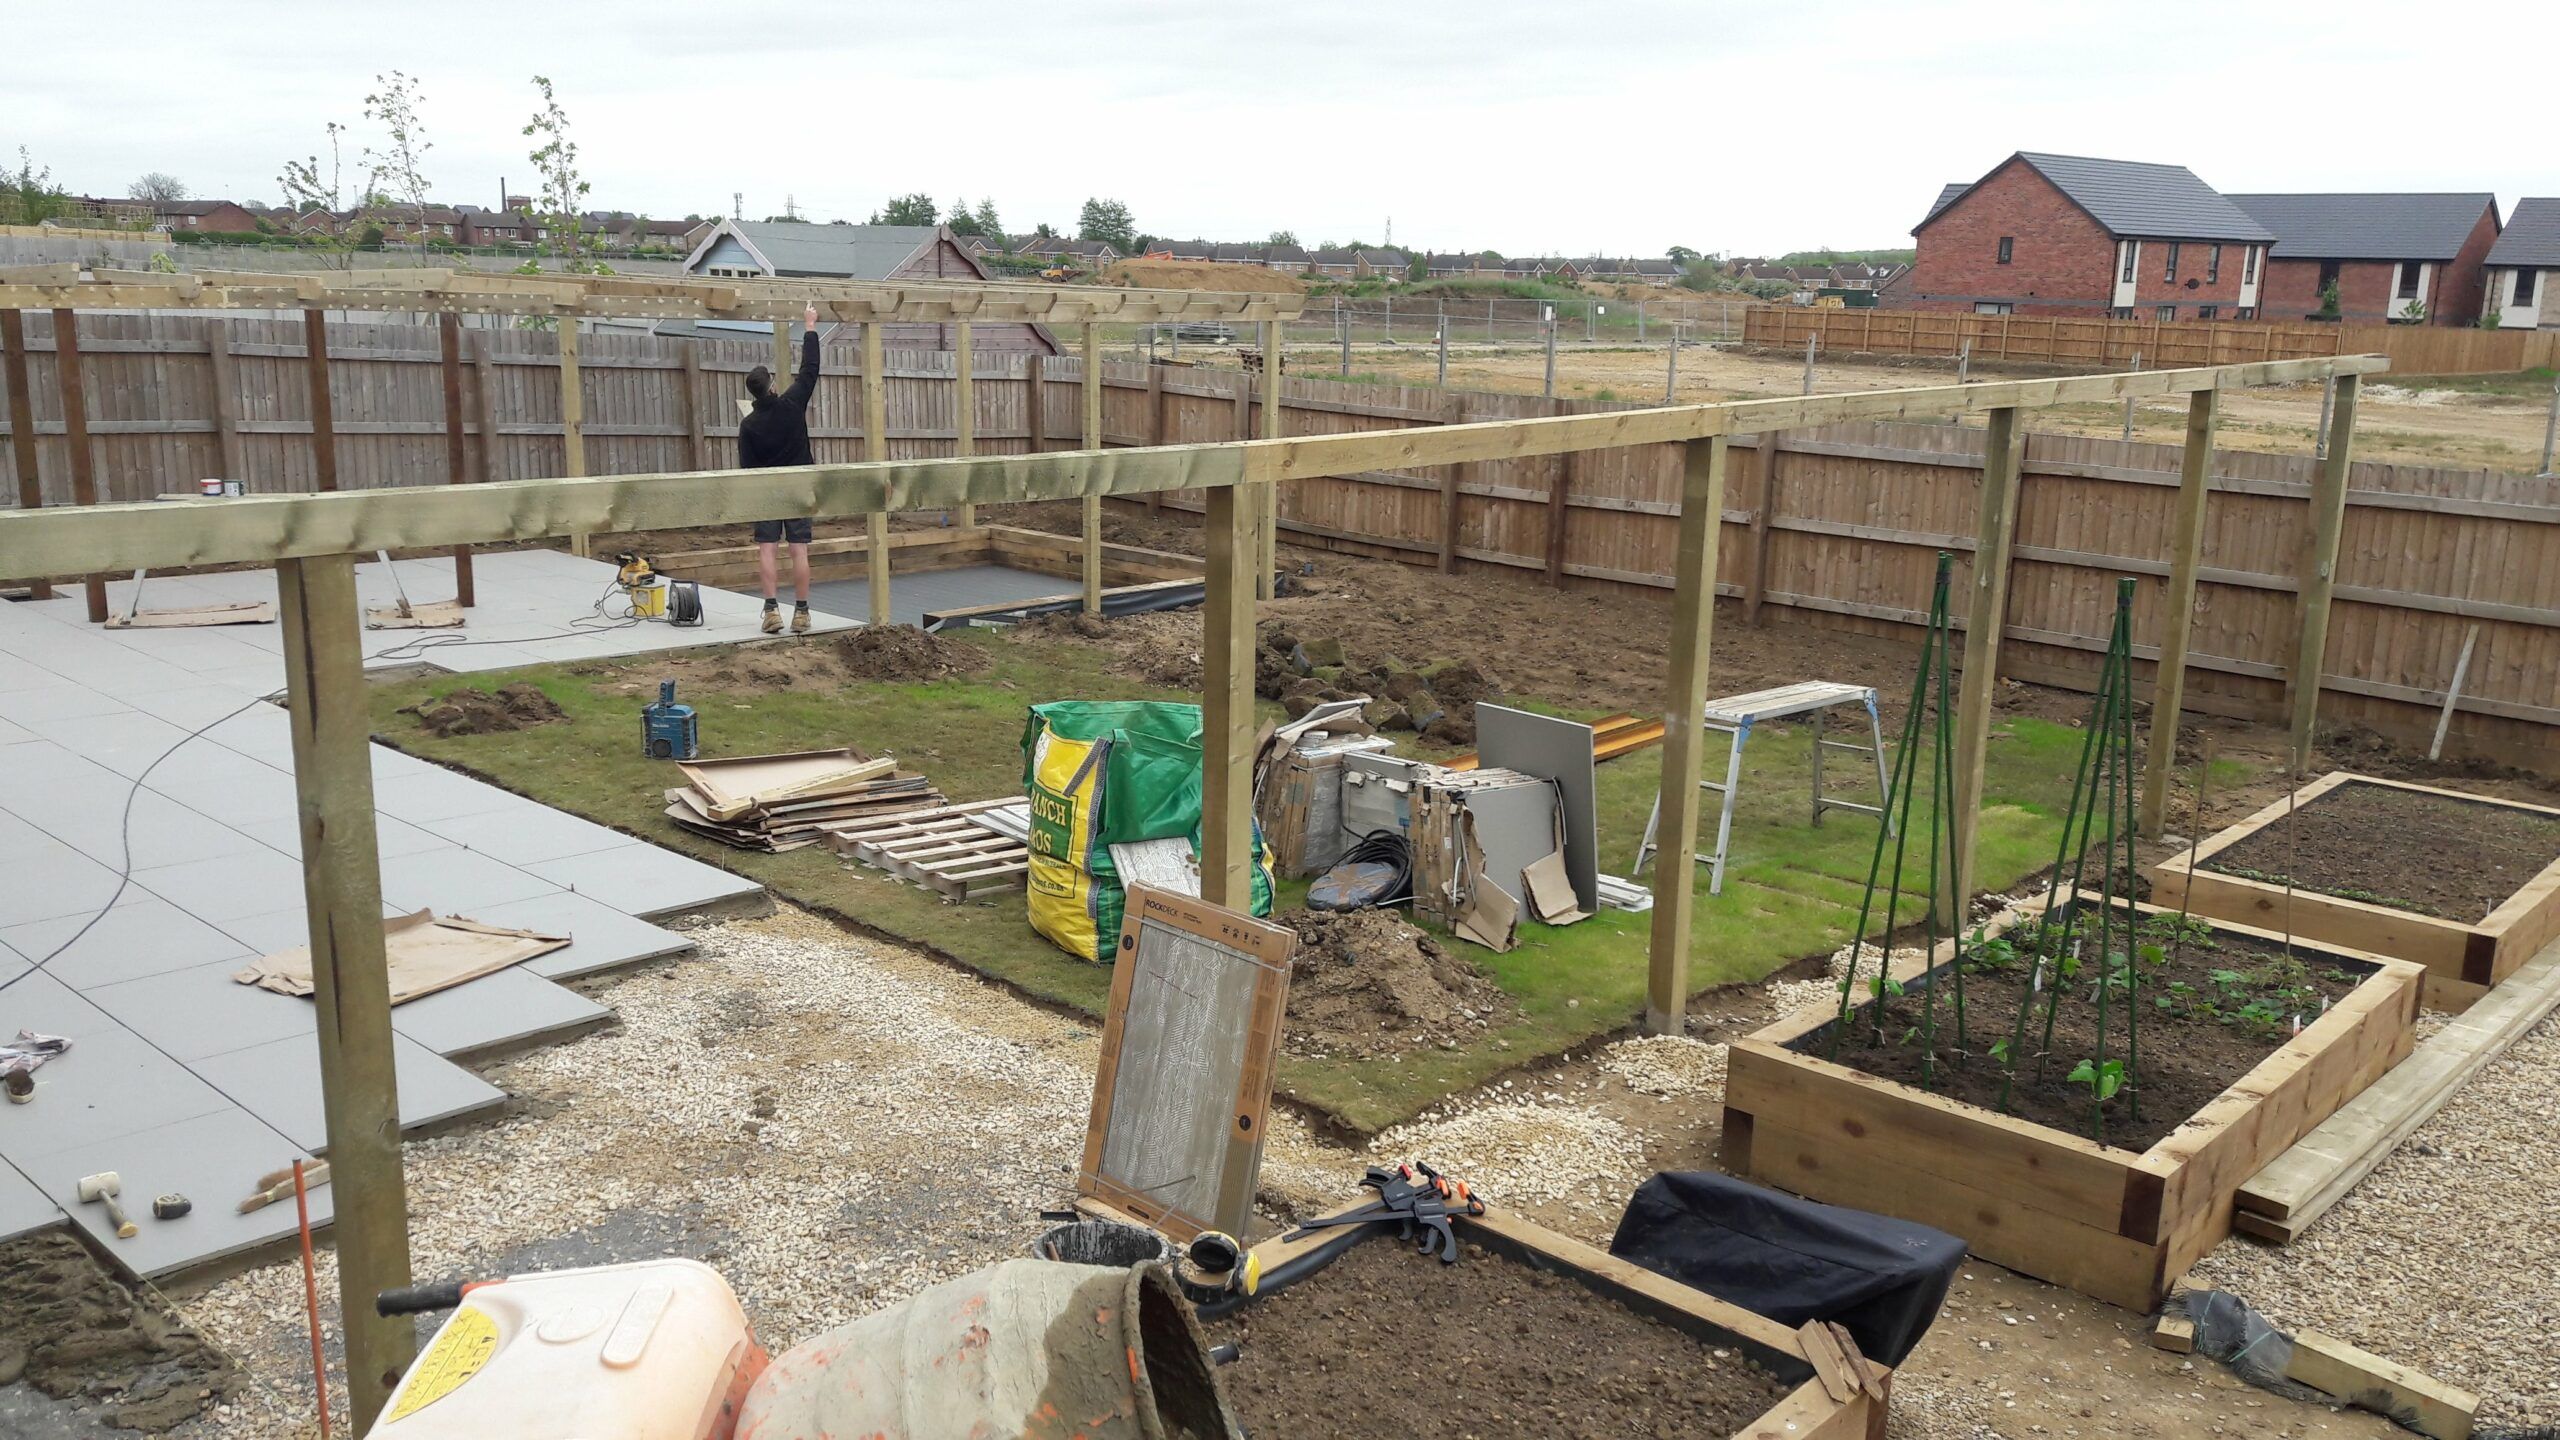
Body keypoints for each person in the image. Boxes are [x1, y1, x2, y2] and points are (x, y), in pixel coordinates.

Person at [740, 302, 823, 634]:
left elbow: (746, 468)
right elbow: (810, 369)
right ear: (772, 386)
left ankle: (771, 611)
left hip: (766, 490)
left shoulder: (749, 425)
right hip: (798, 487)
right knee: (799, 550)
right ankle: (801, 614)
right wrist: (810, 325)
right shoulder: (791, 406)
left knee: (767, 550)